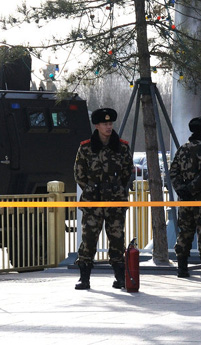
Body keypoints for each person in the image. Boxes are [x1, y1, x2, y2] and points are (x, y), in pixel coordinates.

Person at [74, 108, 133, 290]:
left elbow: (127, 173)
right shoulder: (86, 147)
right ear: (97, 126)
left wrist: (115, 189)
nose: (109, 127)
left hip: (115, 201)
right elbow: (79, 174)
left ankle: (119, 277)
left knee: (117, 238)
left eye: (110, 124)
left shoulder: (121, 147)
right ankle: (84, 278)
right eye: (105, 124)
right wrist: (92, 190)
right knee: (89, 238)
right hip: (93, 202)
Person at [169, 116, 201, 279]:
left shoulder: (183, 149)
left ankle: (182, 268)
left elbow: (173, 171)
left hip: (185, 200)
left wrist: (182, 190)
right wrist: (192, 188)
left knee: (185, 232)